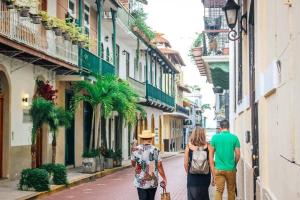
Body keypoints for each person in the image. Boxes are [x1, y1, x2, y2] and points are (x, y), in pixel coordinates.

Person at [131, 130, 167, 200]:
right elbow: (159, 166)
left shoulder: (135, 149)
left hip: (140, 181)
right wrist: (164, 178)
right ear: (151, 138)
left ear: (142, 139)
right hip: (152, 181)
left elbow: (133, 164)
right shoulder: (156, 150)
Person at [209, 120, 241, 200]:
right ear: (228, 127)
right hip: (231, 169)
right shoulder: (234, 138)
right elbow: (238, 154)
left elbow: (211, 156)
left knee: (219, 191)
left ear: (220, 128)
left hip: (218, 169)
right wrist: (234, 164)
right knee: (231, 191)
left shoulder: (214, 138)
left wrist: (213, 171)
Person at [184, 127, 213, 200]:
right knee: (204, 196)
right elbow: (211, 163)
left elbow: (185, 163)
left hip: (192, 177)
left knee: (192, 197)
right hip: (205, 177)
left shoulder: (188, 146)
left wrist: (189, 173)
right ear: (203, 135)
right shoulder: (208, 146)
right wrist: (214, 177)